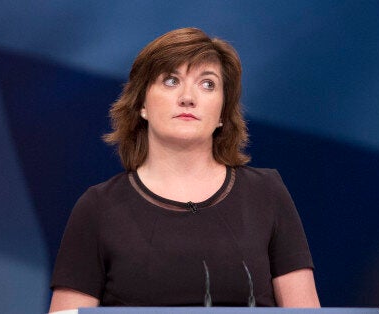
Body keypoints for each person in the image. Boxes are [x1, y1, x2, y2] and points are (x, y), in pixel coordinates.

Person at [49, 27, 320, 312]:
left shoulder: (267, 193)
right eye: (170, 80)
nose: (188, 97)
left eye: (207, 84)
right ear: (142, 104)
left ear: (222, 113)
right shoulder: (98, 208)